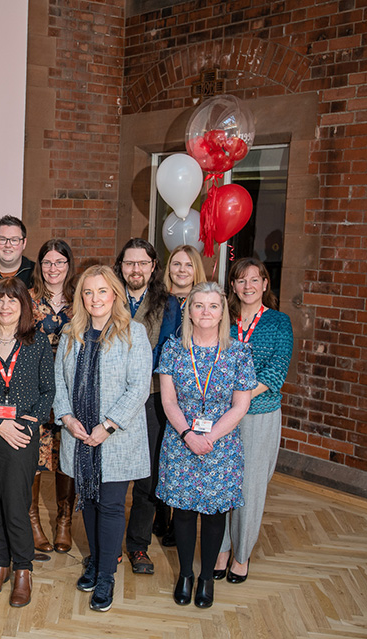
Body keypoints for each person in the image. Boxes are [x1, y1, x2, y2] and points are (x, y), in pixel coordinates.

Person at [53, 265, 151, 613]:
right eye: (88, 292)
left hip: (115, 438)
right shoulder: (70, 334)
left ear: (114, 294)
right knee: (89, 501)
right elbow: (59, 384)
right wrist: (66, 418)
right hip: (79, 434)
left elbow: (139, 387)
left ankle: (107, 575)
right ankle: (95, 559)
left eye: (102, 291)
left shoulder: (133, 334)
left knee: (109, 504)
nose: (95, 298)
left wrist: (107, 426)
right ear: (81, 297)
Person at [156, 282, 256, 609]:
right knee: (183, 513)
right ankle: (185, 574)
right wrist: (188, 435)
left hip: (221, 446)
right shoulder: (173, 349)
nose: (206, 312)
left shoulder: (239, 352)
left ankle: (206, 578)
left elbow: (240, 406)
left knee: (215, 515)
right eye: (199, 305)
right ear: (190, 310)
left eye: (213, 306)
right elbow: (169, 401)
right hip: (181, 440)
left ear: (223, 312)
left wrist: (210, 437)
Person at [0, 278, 55, 608]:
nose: (5, 306)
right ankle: (0, 563)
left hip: (22, 434)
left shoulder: (38, 343)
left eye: (12, 301)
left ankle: (23, 569)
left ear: (23, 307)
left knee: (15, 504)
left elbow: (48, 391)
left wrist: (31, 419)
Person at [215, 258, 293, 583]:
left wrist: (241, 398)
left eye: (254, 280)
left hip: (259, 415)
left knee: (249, 485)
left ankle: (241, 555)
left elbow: (276, 371)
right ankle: (220, 548)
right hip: (221, 414)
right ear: (232, 285)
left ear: (264, 284)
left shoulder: (279, 323)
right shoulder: (223, 321)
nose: (248, 286)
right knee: (222, 481)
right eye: (241, 281)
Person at [114, 238, 180, 575]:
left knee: (147, 476)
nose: (135, 269)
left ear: (153, 266)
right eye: (129, 263)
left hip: (153, 397)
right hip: (110, 396)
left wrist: (135, 373)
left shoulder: (167, 304)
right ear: (121, 266)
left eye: (142, 263)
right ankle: (109, 546)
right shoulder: (107, 295)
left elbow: (166, 350)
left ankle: (138, 545)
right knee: (111, 473)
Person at [153, 244, 207, 545]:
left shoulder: (206, 302)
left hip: (197, 390)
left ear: (195, 268)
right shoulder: (160, 299)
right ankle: (160, 513)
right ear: (168, 268)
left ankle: (179, 518)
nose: (182, 270)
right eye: (176, 264)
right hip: (163, 385)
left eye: (188, 265)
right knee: (163, 450)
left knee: (187, 455)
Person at [29, 239, 78, 556]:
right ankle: (31, 520)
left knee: (66, 460)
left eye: (60, 262)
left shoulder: (82, 300)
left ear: (69, 266)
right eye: (47, 262)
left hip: (72, 394)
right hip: (34, 393)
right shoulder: (29, 300)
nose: (53, 268)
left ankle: (64, 521)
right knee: (33, 461)